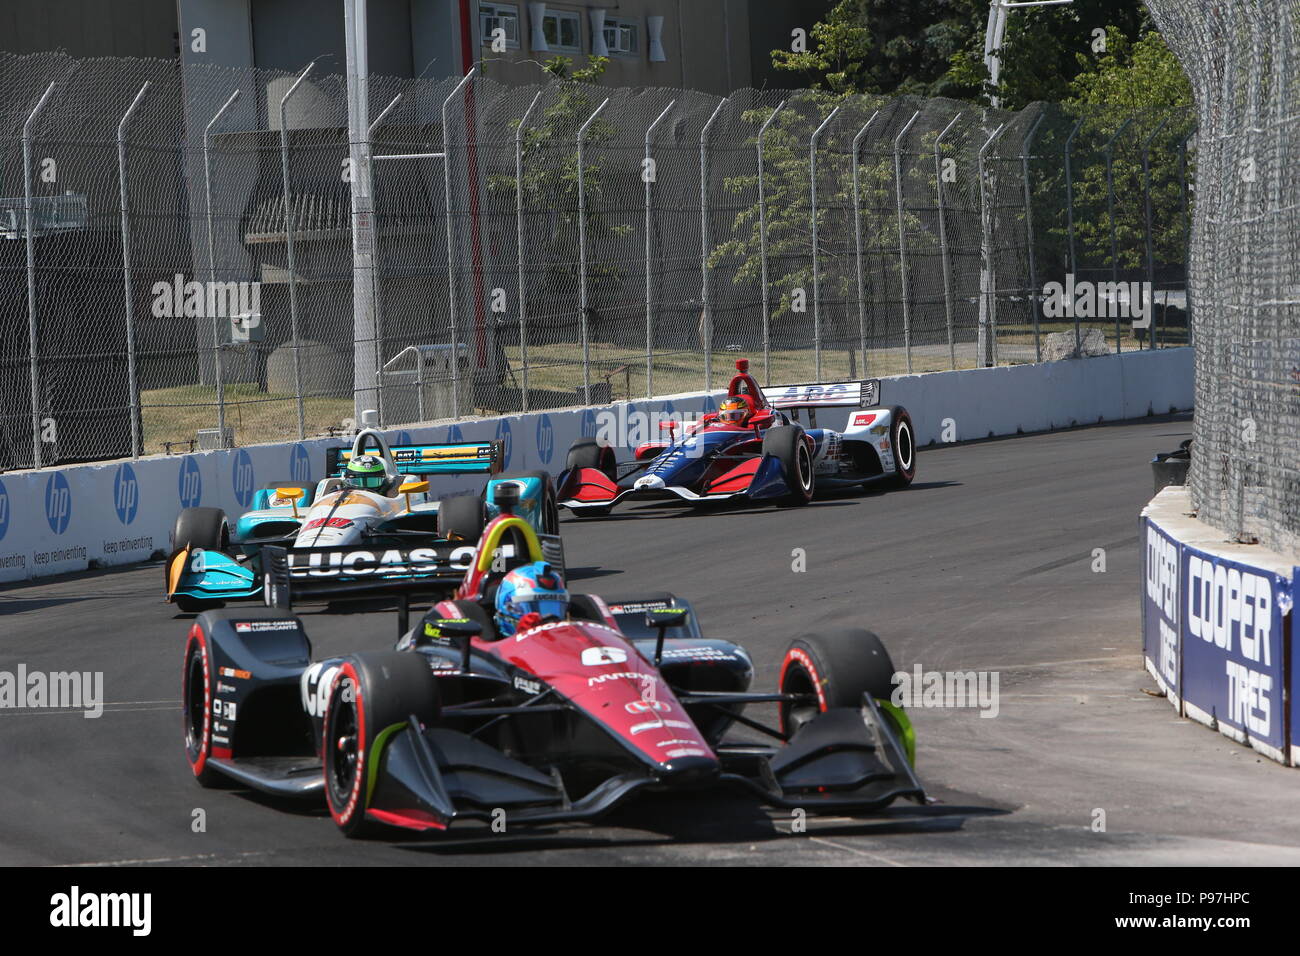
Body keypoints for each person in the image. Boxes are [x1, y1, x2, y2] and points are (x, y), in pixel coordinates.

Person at [494, 561, 569, 638]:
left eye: (553, 609)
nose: (549, 622)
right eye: (534, 609)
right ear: (509, 608)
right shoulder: (489, 646)